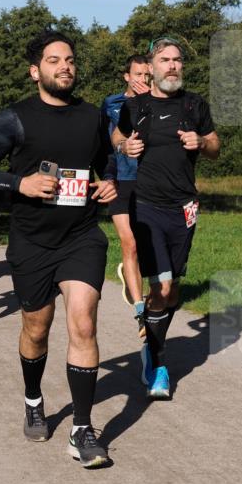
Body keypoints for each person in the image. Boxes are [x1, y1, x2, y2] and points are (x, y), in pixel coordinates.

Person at [0, 30, 118, 468]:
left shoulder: (92, 117)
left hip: (81, 236)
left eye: (70, 59)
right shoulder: (14, 118)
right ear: (36, 71)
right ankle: (34, 399)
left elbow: (104, 163)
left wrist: (106, 183)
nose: (65, 66)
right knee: (36, 329)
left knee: (83, 323)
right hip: (31, 240)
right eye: (54, 60)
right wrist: (22, 184)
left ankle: (81, 430)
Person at [112, 36, 220, 401]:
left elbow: (216, 146)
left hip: (185, 206)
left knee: (171, 288)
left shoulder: (194, 104)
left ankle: (150, 340)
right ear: (153, 67)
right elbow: (116, 135)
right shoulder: (136, 106)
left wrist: (201, 144)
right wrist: (124, 146)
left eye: (177, 60)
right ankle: (157, 362)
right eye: (165, 60)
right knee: (161, 283)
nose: (172, 66)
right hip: (147, 205)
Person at [101, 54, 151, 336]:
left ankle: (131, 276)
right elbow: (102, 141)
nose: (143, 80)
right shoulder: (111, 104)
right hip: (120, 179)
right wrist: (106, 175)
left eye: (147, 75)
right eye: (138, 74)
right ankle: (140, 311)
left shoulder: (157, 102)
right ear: (126, 76)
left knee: (145, 245)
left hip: (148, 181)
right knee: (129, 243)